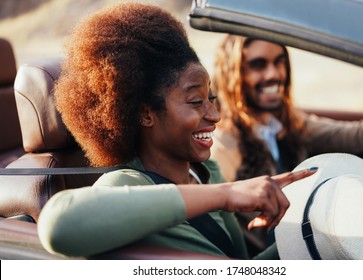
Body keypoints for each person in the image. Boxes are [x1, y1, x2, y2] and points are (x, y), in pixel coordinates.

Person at [36, 3, 317, 259]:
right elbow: (58, 226)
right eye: (196, 102)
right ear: (146, 114)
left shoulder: (205, 172)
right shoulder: (128, 183)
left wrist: (313, 233)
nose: (215, 115)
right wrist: (226, 194)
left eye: (211, 99)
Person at [210, 34, 363, 255]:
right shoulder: (224, 143)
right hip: (286, 253)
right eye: (258, 65)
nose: (274, 74)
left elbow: (356, 135)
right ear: (233, 73)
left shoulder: (289, 122)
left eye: (279, 62)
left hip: (323, 232)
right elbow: (222, 221)